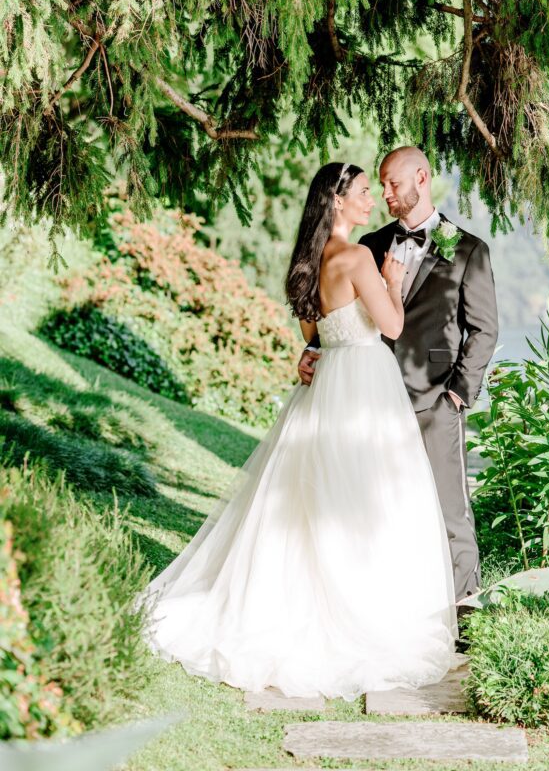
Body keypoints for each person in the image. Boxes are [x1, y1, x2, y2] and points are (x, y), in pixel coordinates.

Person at [141, 161, 457, 700]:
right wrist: (393, 281)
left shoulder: (307, 262)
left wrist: (309, 356)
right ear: (336, 202)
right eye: (361, 192)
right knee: (367, 500)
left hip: (326, 383)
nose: (370, 200)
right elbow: (393, 326)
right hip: (364, 387)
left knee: (315, 500)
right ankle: (357, 612)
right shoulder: (358, 258)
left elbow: (315, 335)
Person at [299, 147, 498, 601]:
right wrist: (313, 349)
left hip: (433, 400)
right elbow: (338, 312)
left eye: (392, 183)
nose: (385, 192)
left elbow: (484, 330)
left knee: (450, 512)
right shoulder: (367, 245)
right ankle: (392, 604)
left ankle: (465, 608)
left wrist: (458, 395)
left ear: (421, 178)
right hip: (367, 400)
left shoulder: (469, 250)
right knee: (375, 507)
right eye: (380, 185)